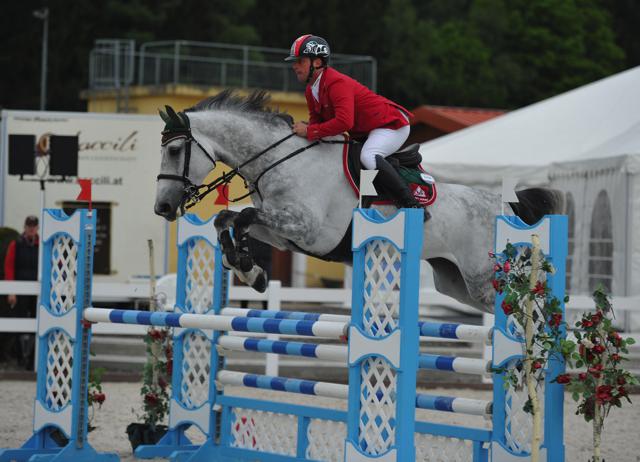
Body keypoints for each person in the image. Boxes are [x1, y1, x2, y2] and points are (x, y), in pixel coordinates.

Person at [286, 34, 423, 211]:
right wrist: (309, 131)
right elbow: (316, 123)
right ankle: (368, 203)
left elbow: (344, 122)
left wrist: (310, 131)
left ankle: (411, 204)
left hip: (390, 125)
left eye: (300, 61)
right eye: (294, 61)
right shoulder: (311, 90)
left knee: (368, 155)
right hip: (366, 131)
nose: (294, 66)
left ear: (318, 62)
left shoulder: (337, 83)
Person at [4, 215, 39, 368]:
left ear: (37, 227)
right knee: (18, 322)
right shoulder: (16, 244)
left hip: (37, 290)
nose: (31, 228)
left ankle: (31, 358)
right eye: (29, 226)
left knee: (37, 321)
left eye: (34, 226)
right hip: (20, 289)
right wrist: (11, 290)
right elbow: (9, 266)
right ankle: (19, 357)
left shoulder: (42, 244)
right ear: (24, 227)